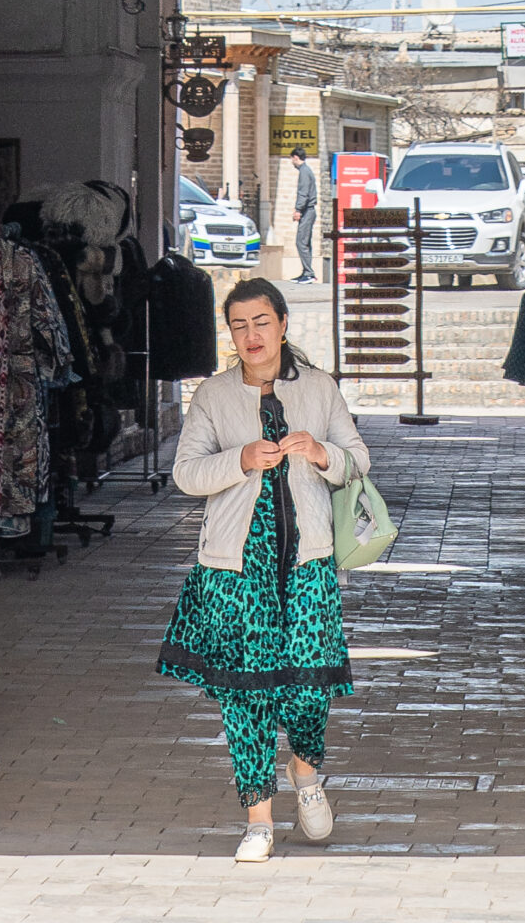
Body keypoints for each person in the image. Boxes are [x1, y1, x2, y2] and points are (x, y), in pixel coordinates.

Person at [158, 275, 371, 860]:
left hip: (307, 562)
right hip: (235, 568)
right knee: (244, 696)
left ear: (282, 325)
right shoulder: (214, 395)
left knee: (308, 689)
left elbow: (358, 459)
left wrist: (321, 452)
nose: (251, 335)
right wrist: (242, 458)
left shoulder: (320, 388)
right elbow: (187, 474)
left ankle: (307, 778)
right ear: (230, 333)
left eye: (261, 322)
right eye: (239, 325)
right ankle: (258, 819)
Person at [292, 147, 318, 282]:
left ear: (296, 157)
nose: (292, 162)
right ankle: (306, 272)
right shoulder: (306, 171)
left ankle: (308, 273)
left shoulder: (304, 172)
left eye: (292, 159)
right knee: (305, 242)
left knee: (301, 242)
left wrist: (298, 210)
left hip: (307, 210)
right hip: (308, 210)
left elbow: (303, 193)